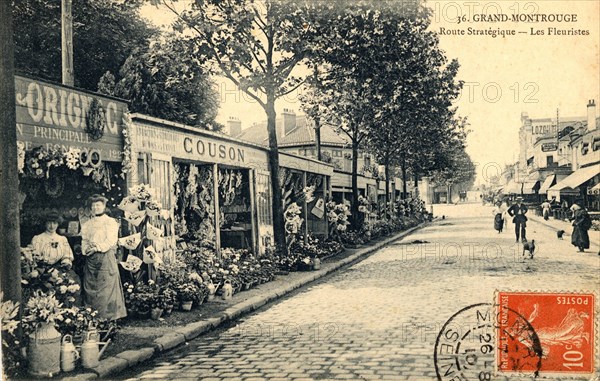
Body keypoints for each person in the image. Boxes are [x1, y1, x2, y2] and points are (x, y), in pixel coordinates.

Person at [80, 194, 127, 320]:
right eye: (93, 206)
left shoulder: (110, 222)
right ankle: (93, 317)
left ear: (104, 206)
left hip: (105, 257)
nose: (95, 208)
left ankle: (108, 318)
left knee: (106, 288)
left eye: (98, 205)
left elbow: (111, 240)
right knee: (91, 287)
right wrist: (85, 250)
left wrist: (97, 248)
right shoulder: (87, 224)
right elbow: (84, 240)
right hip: (91, 259)